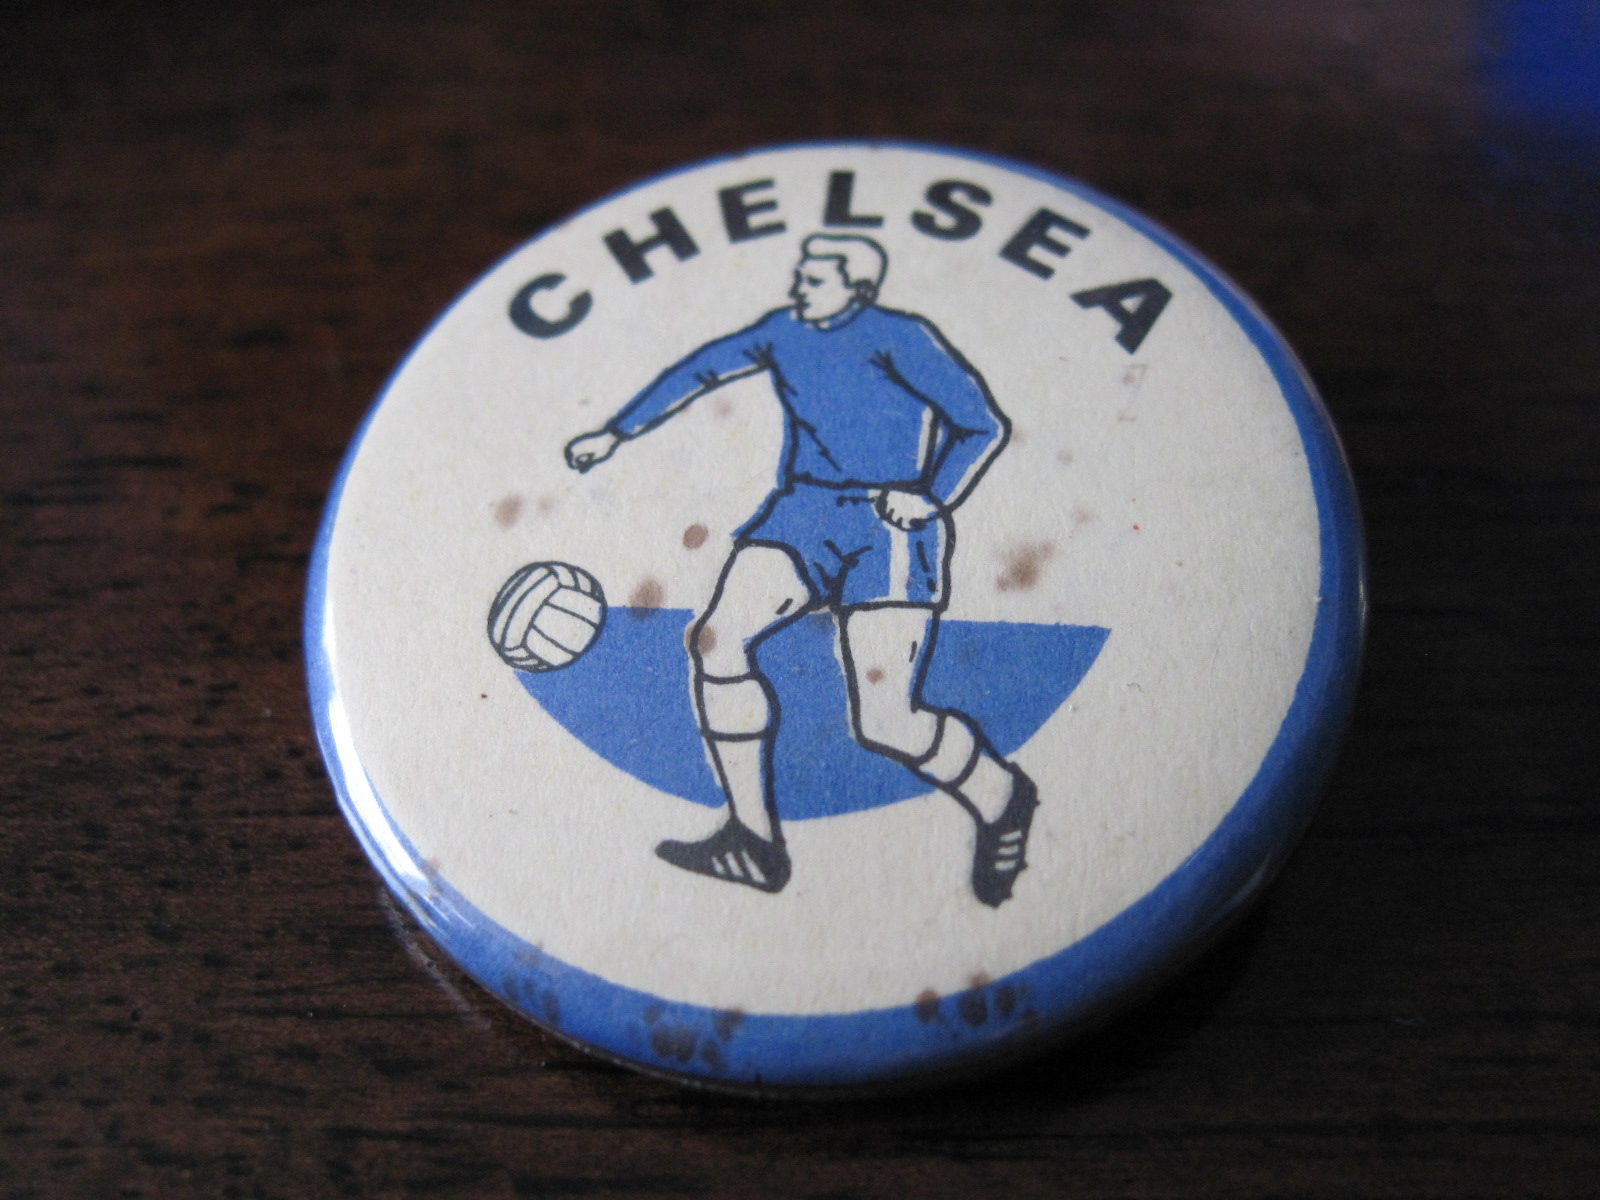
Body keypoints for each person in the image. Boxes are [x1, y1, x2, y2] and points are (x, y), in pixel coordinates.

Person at [565, 233, 1037, 906]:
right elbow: (701, 369)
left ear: (857, 287)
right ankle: (753, 840)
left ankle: (1001, 797)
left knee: (887, 723)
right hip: (802, 513)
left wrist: (931, 494)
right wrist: (615, 431)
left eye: (814, 277)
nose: (798, 286)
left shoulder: (900, 336)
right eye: (800, 275)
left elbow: (981, 425)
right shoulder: (782, 332)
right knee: (718, 642)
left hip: (887, 526)